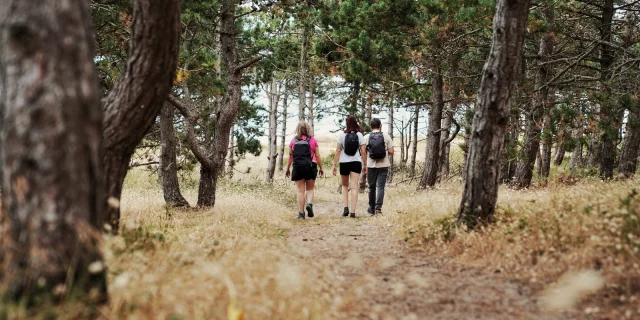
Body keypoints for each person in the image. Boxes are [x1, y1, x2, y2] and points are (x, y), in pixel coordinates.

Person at [286, 121, 324, 219]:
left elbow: (290, 156)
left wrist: (288, 169)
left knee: (300, 191)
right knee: (310, 189)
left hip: (298, 167)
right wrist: (321, 167)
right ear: (308, 129)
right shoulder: (313, 140)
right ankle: (309, 204)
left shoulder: (293, 141)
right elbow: (318, 155)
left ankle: (301, 213)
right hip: (311, 166)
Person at [332, 115, 367, 218]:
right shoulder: (360, 135)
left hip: (344, 163)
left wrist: (334, 165)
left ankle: (345, 208)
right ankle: (353, 212)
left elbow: (338, 151)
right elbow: (363, 152)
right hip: (356, 162)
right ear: (355, 122)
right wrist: (365, 165)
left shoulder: (342, 135)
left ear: (346, 123)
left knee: (344, 186)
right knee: (354, 187)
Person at [363, 118, 394, 215]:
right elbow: (391, 151)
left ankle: (371, 209)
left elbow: (363, 152)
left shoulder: (366, 137)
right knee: (380, 187)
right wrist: (383, 152)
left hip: (371, 165)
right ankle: (378, 209)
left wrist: (365, 164)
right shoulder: (386, 136)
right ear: (380, 126)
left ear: (371, 127)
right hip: (383, 165)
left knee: (371, 187)